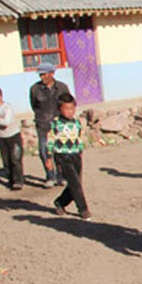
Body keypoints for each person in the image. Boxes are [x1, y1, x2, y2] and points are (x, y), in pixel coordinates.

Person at [49, 92, 91, 220]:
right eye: (66, 109)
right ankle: (83, 210)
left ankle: (60, 202)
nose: (70, 111)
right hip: (62, 156)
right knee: (75, 184)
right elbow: (50, 140)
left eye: (72, 108)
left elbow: (80, 137)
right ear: (59, 109)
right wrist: (49, 158)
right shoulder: (55, 124)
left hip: (76, 155)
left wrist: (80, 150)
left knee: (76, 183)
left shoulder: (77, 123)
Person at [29, 62, 70, 187]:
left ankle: (61, 176)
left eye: (44, 74)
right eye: (40, 75)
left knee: (61, 151)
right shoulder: (35, 89)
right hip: (43, 124)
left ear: (52, 74)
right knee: (44, 151)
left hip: (59, 125)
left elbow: (67, 103)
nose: (42, 77)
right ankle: (50, 175)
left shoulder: (62, 87)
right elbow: (34, 105)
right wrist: (42, 117)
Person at [0, 86, 23, 190]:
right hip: (1, 137)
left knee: (15, 158)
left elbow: (6, 122)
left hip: (13, 137)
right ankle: (11, 180)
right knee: (6, 160)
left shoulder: (7, 107)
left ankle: (18, 181)